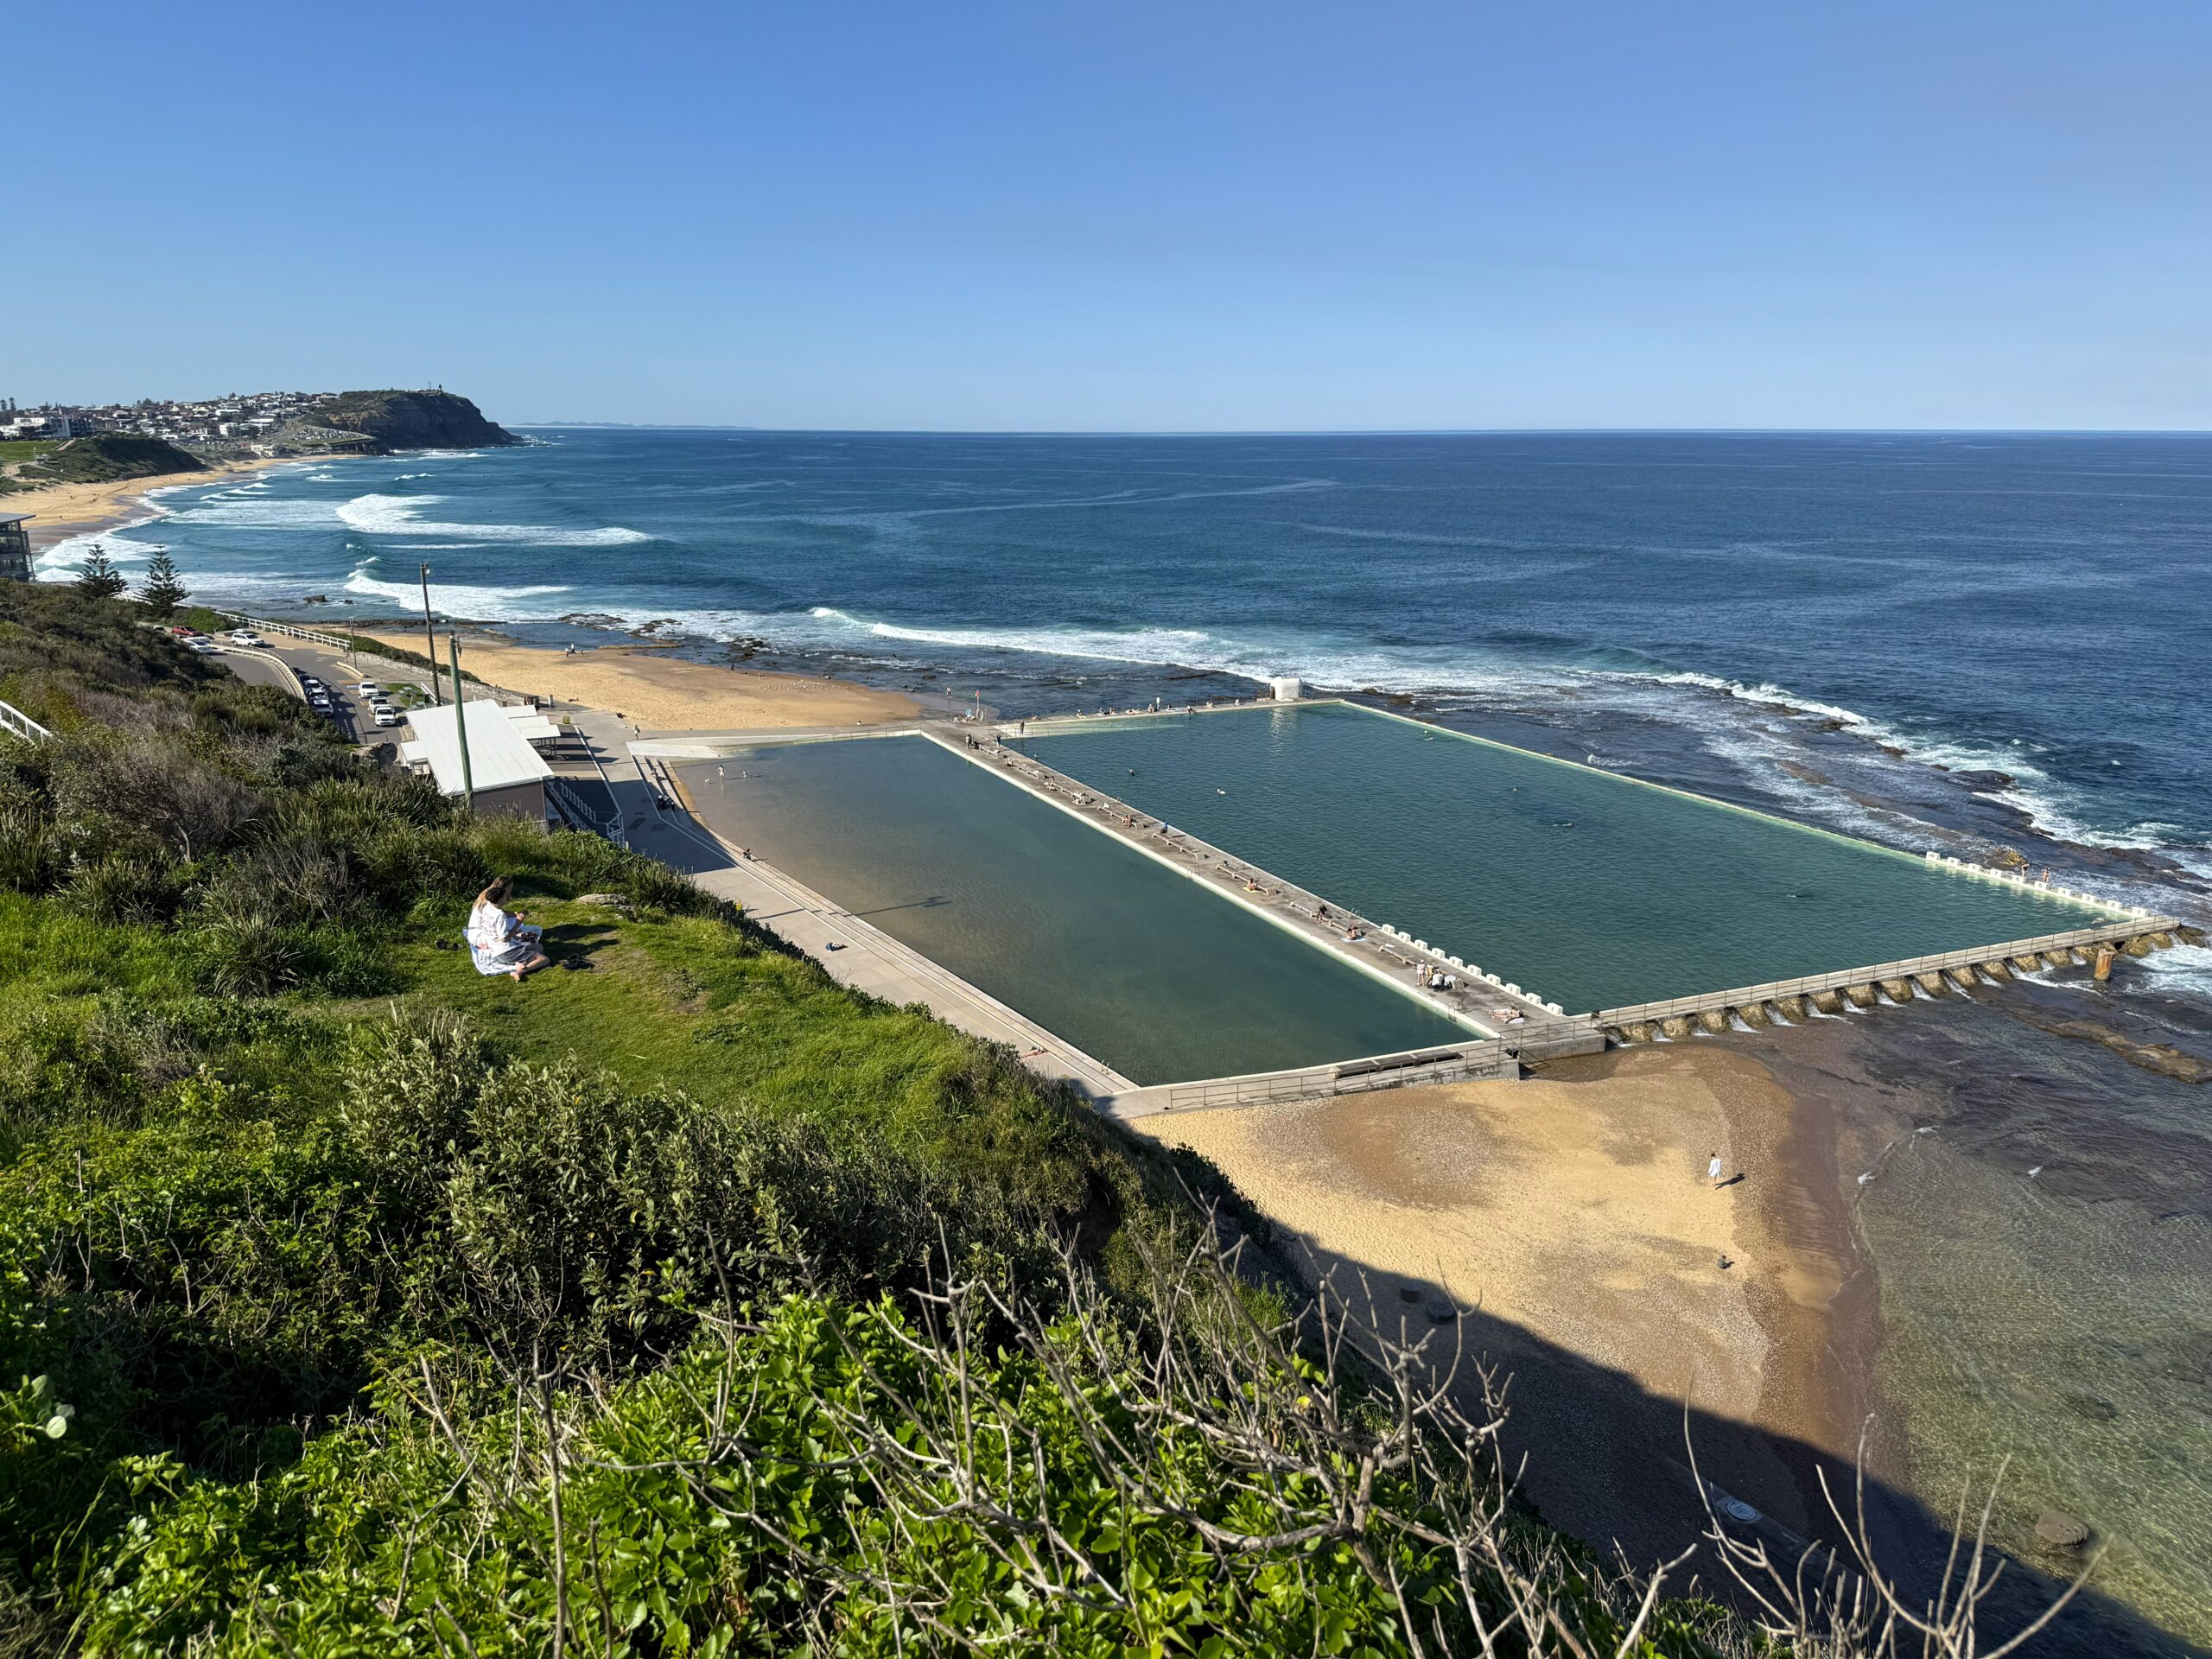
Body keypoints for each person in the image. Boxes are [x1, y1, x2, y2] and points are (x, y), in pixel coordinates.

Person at [467, 876, 550, 981]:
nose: (511, 891)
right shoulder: (499, 915)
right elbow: (505, 938)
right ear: (501, 894)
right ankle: (520, 971)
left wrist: (516, 916)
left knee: (539, 946)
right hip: (503, 948)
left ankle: (523, 960)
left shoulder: (489, 904)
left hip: (495, 944)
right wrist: (518, 924)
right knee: (544, 958)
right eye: (509, 889)